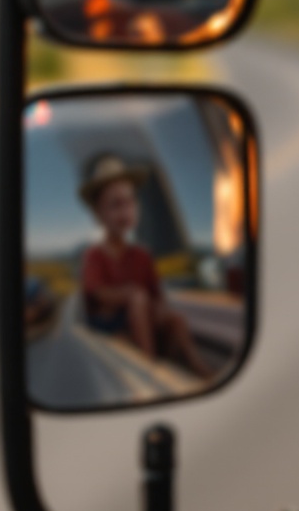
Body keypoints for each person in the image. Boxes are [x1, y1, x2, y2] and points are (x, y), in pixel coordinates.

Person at [77, 153, 210, 378]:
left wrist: (158, 309)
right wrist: (130, 296)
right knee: (136, 298)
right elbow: (97, 293)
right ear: (99, 214)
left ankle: (196, 366)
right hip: (112, 326)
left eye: (130, 202)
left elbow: (156, 294)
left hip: (143, 319)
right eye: (115, 205)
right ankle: (149, 367)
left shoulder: (142, 255)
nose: (124, 211)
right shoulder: (94, 255)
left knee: (175, 320)